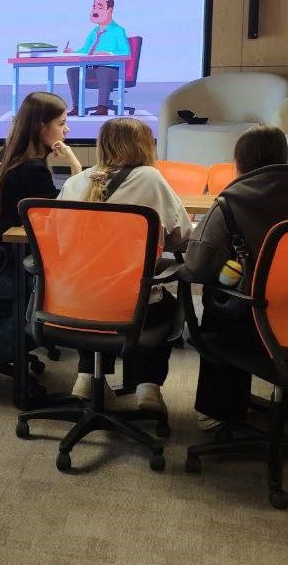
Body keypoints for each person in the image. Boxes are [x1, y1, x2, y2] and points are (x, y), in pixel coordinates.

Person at [181, 125, 288, 426]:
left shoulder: (229, 203)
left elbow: (197, 267)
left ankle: (220, 410)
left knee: (218, 297)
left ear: (239, 161)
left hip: (249, 321)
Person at [59, 116, 192, 412]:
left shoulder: (74, 182)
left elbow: (59, 242)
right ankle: (147, 387)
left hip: (70, 303)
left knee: (95, 296)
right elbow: (181, 237)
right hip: (132, 308)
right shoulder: (150, 179)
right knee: (164, 305)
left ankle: (87, 377)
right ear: (144, 146)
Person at [0, 92, 82, 366]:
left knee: (46, 290)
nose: (67, 130)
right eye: (62, 123)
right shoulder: (32, 168)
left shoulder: (11, 154)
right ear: (41, 126)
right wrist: (75, 166)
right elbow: (62, 215)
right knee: (51, 296)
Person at [64, 0, 129, 117]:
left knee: (102, 70)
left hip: (113, 69)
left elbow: (125, 52)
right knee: (72, 72)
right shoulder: (93, 32)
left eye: (100, 7)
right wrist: (73, 52)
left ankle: (102, 108)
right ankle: (77, 107)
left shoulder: (118, 31)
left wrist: (109, 54)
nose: (95, 10)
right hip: (94, 68)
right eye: (94, 7)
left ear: (110, 10)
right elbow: (86, 50)